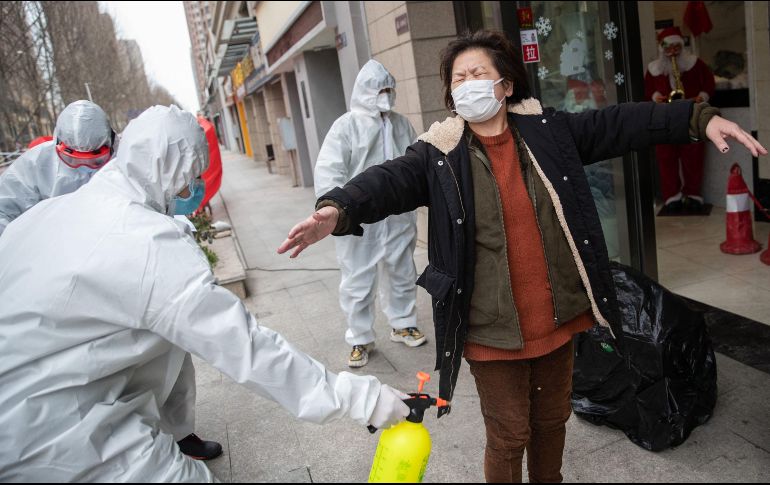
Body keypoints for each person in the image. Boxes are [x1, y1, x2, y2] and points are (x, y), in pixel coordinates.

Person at [278, 30, 766, 483]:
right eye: (458, 79)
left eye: (477, 74)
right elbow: (385, 183)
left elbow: (621, 123)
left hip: (557, 318)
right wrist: (337, 209)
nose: (467, 84)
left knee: (554, 421)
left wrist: (697, 117)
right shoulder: (438, 155)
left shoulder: (547, 133)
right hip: (491, 329)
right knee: (510, 436)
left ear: (506, 84)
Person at [0, 106, 409, 482]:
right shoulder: (145, 244)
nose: (196, 187)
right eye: (194, 174)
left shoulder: (46, 215)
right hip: (60, 433)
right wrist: (364, 398)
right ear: (172, 170)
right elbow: (244, 348)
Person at [314, 59, 425, 368]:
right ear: (364, 91)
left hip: (398, 216)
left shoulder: (402, 124)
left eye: (389, 89)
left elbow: (416, 163)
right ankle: (360, 338)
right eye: (379, 90)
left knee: (402, 271)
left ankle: (403, 322)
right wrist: (334, 209)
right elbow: (329, 169)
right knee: (357, 280)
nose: (385, 95)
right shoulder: (346, 126)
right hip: (359, 217)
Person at [0, 100, 115, 237]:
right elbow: (5, 207)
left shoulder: (123, 157)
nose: (84, 167)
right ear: (58, 143)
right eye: (72, 159)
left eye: (95, 160)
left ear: (111, 143)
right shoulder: (35, 162)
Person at [644, 26, 716, 213]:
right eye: (668, 49)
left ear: (681, 46)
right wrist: (655, 97)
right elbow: (648, 90)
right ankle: (672, 197)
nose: (673, 53)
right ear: (662, 49)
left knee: (693, 157)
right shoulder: (653, 70)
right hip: (663, 119)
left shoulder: (695, 64)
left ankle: (693, 195)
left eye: (676, 48)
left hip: (691, 116)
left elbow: (709, 83)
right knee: (665, 158)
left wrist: (701, 96)